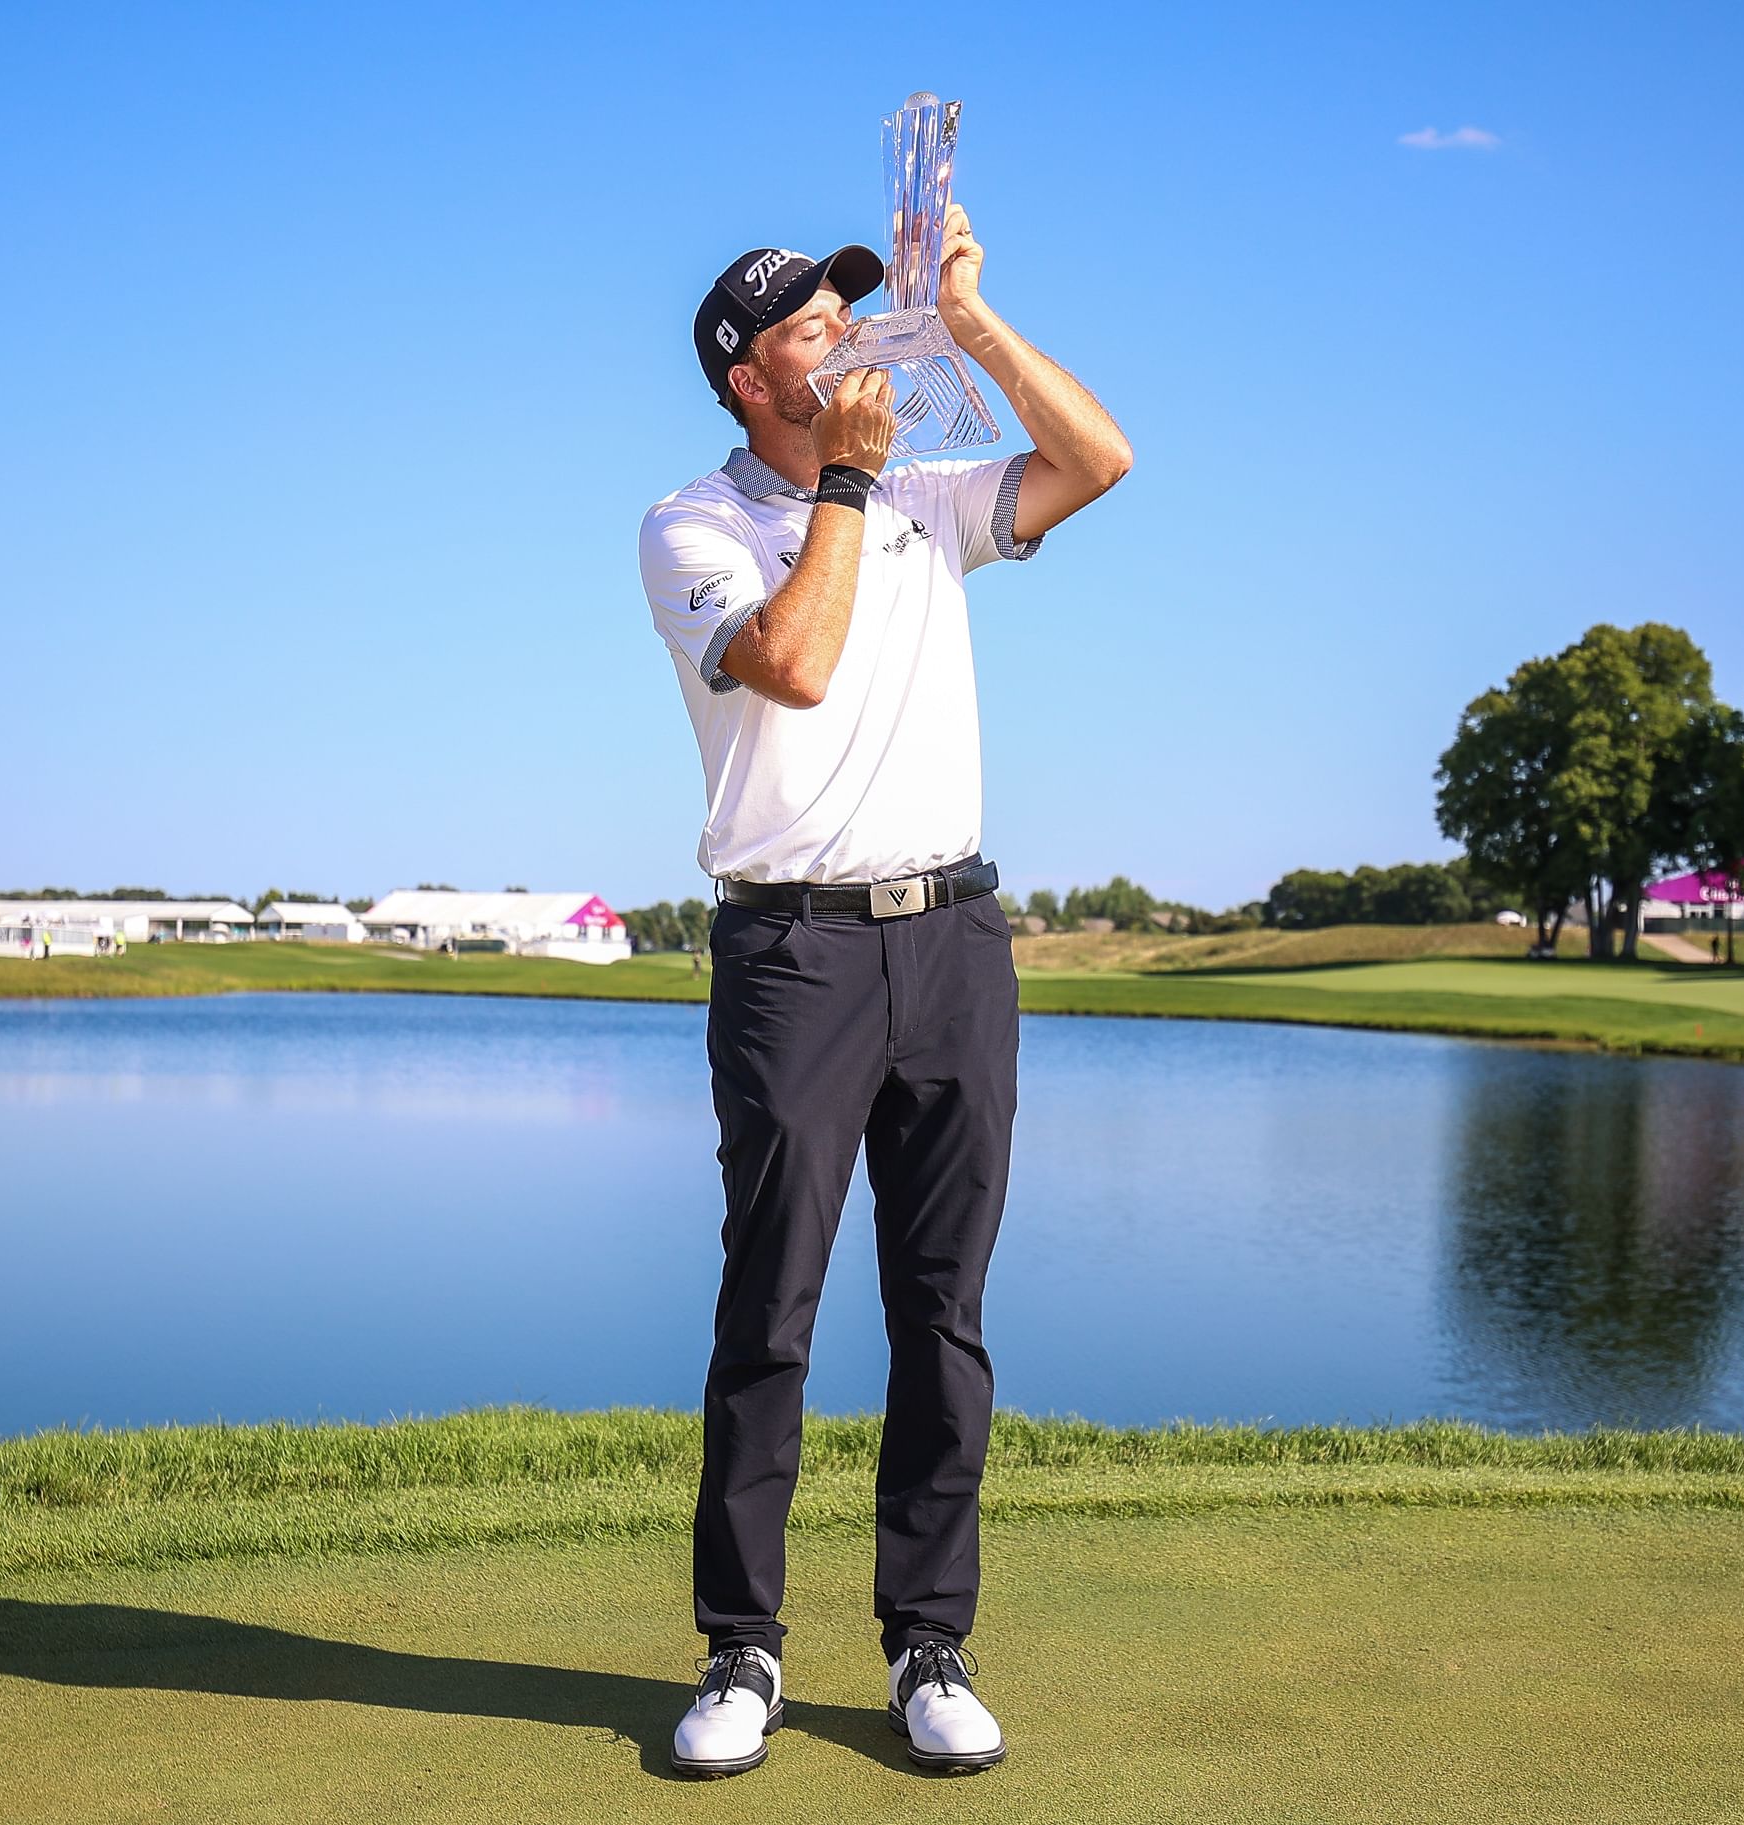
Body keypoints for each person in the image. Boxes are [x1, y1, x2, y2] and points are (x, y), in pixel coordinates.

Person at [640, 210, 1131, 1778]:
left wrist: (973, 324)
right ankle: (741, 1649)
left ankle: (929, 1641)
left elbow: (1100, 459)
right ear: (743, 377)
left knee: (941, 1309)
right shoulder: (689, 525)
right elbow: (789, 664)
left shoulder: (929, 495)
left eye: (851, 316)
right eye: (809, 329)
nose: (845, 340)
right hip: (793, 951)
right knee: (770, 1306)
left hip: (954, 940)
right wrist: (845, 484)